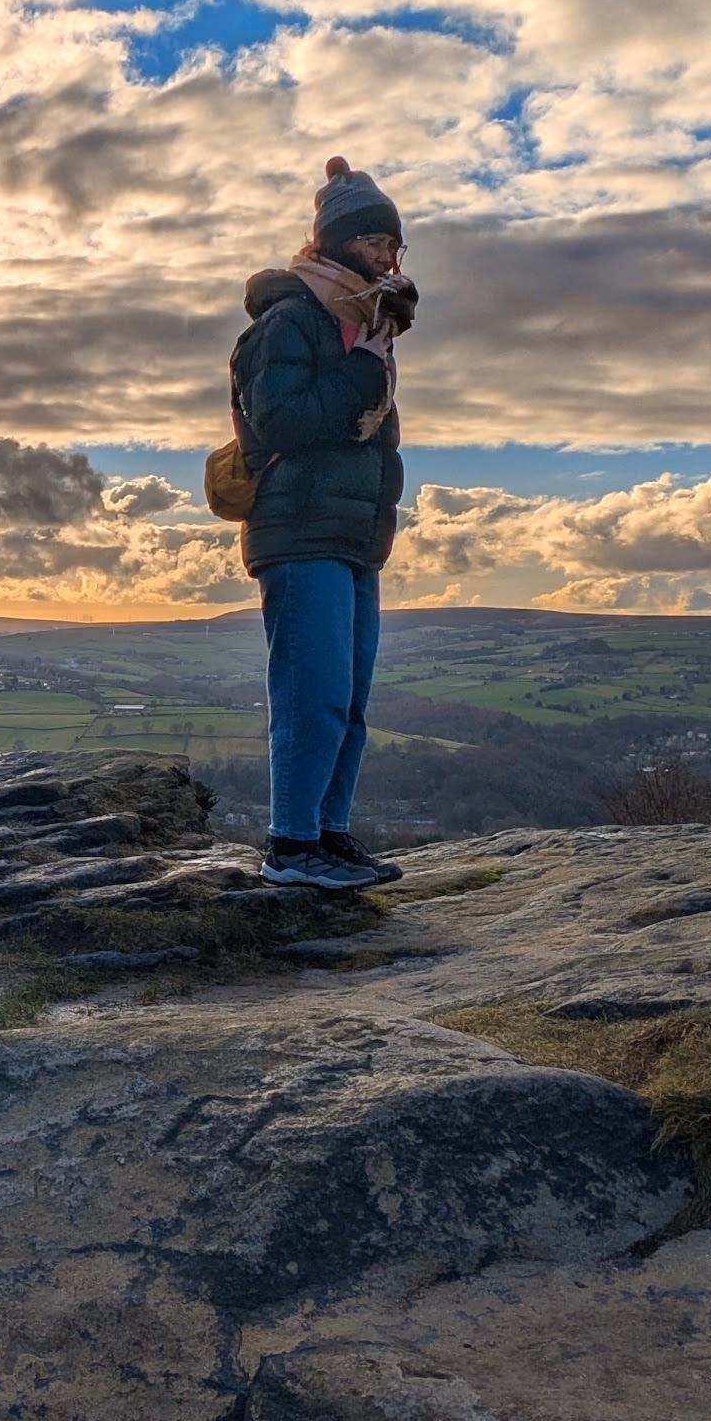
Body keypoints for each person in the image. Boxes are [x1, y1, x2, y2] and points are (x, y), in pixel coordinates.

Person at [230, 157, 416, 889]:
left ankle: (328, 833)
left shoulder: (362, 327)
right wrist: (365, 371)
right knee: (313, 692)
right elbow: (282, 423)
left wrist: (370, 358)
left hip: (352, 537)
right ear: (335, 242)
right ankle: (292, 847)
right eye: (375, 242)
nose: (389, 258)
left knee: (350, 698)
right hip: (300, 532)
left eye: (396, 246)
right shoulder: (289, 322)